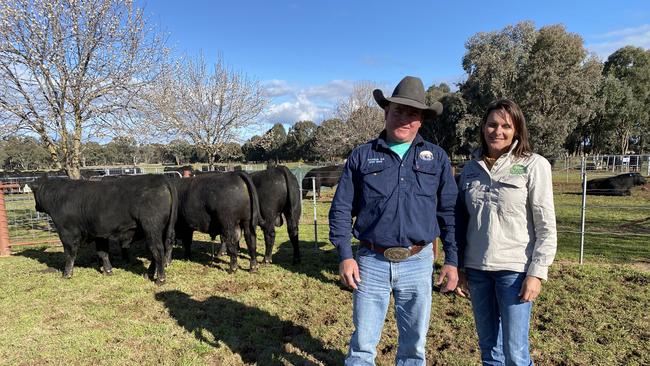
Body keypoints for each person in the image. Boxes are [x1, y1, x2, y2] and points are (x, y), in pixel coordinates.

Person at [329, 75, 459, 365]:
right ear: (386, 112)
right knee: (362, 344)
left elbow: (449, 212)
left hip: (418, 261)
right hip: (370, 262)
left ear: (421, 120)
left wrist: (452, 259)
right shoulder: (362, 156)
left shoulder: (436, 158)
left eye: (412, 113)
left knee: (414, 346)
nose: (404, 118)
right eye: (398, 110)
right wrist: (345, 256)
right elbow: (340, 208)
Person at [455, 99, 557, 366]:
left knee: (516, 352)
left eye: (505, 126)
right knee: (489, 349)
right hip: (477, 270)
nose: (497, 131)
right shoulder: (470, 170)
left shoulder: (534, 165)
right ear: (483, 127)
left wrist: (536, 273)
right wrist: (462, 268)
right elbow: (464, 222)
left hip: (514, 271)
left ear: (517, 130)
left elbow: (546, 226)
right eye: (491, 124)